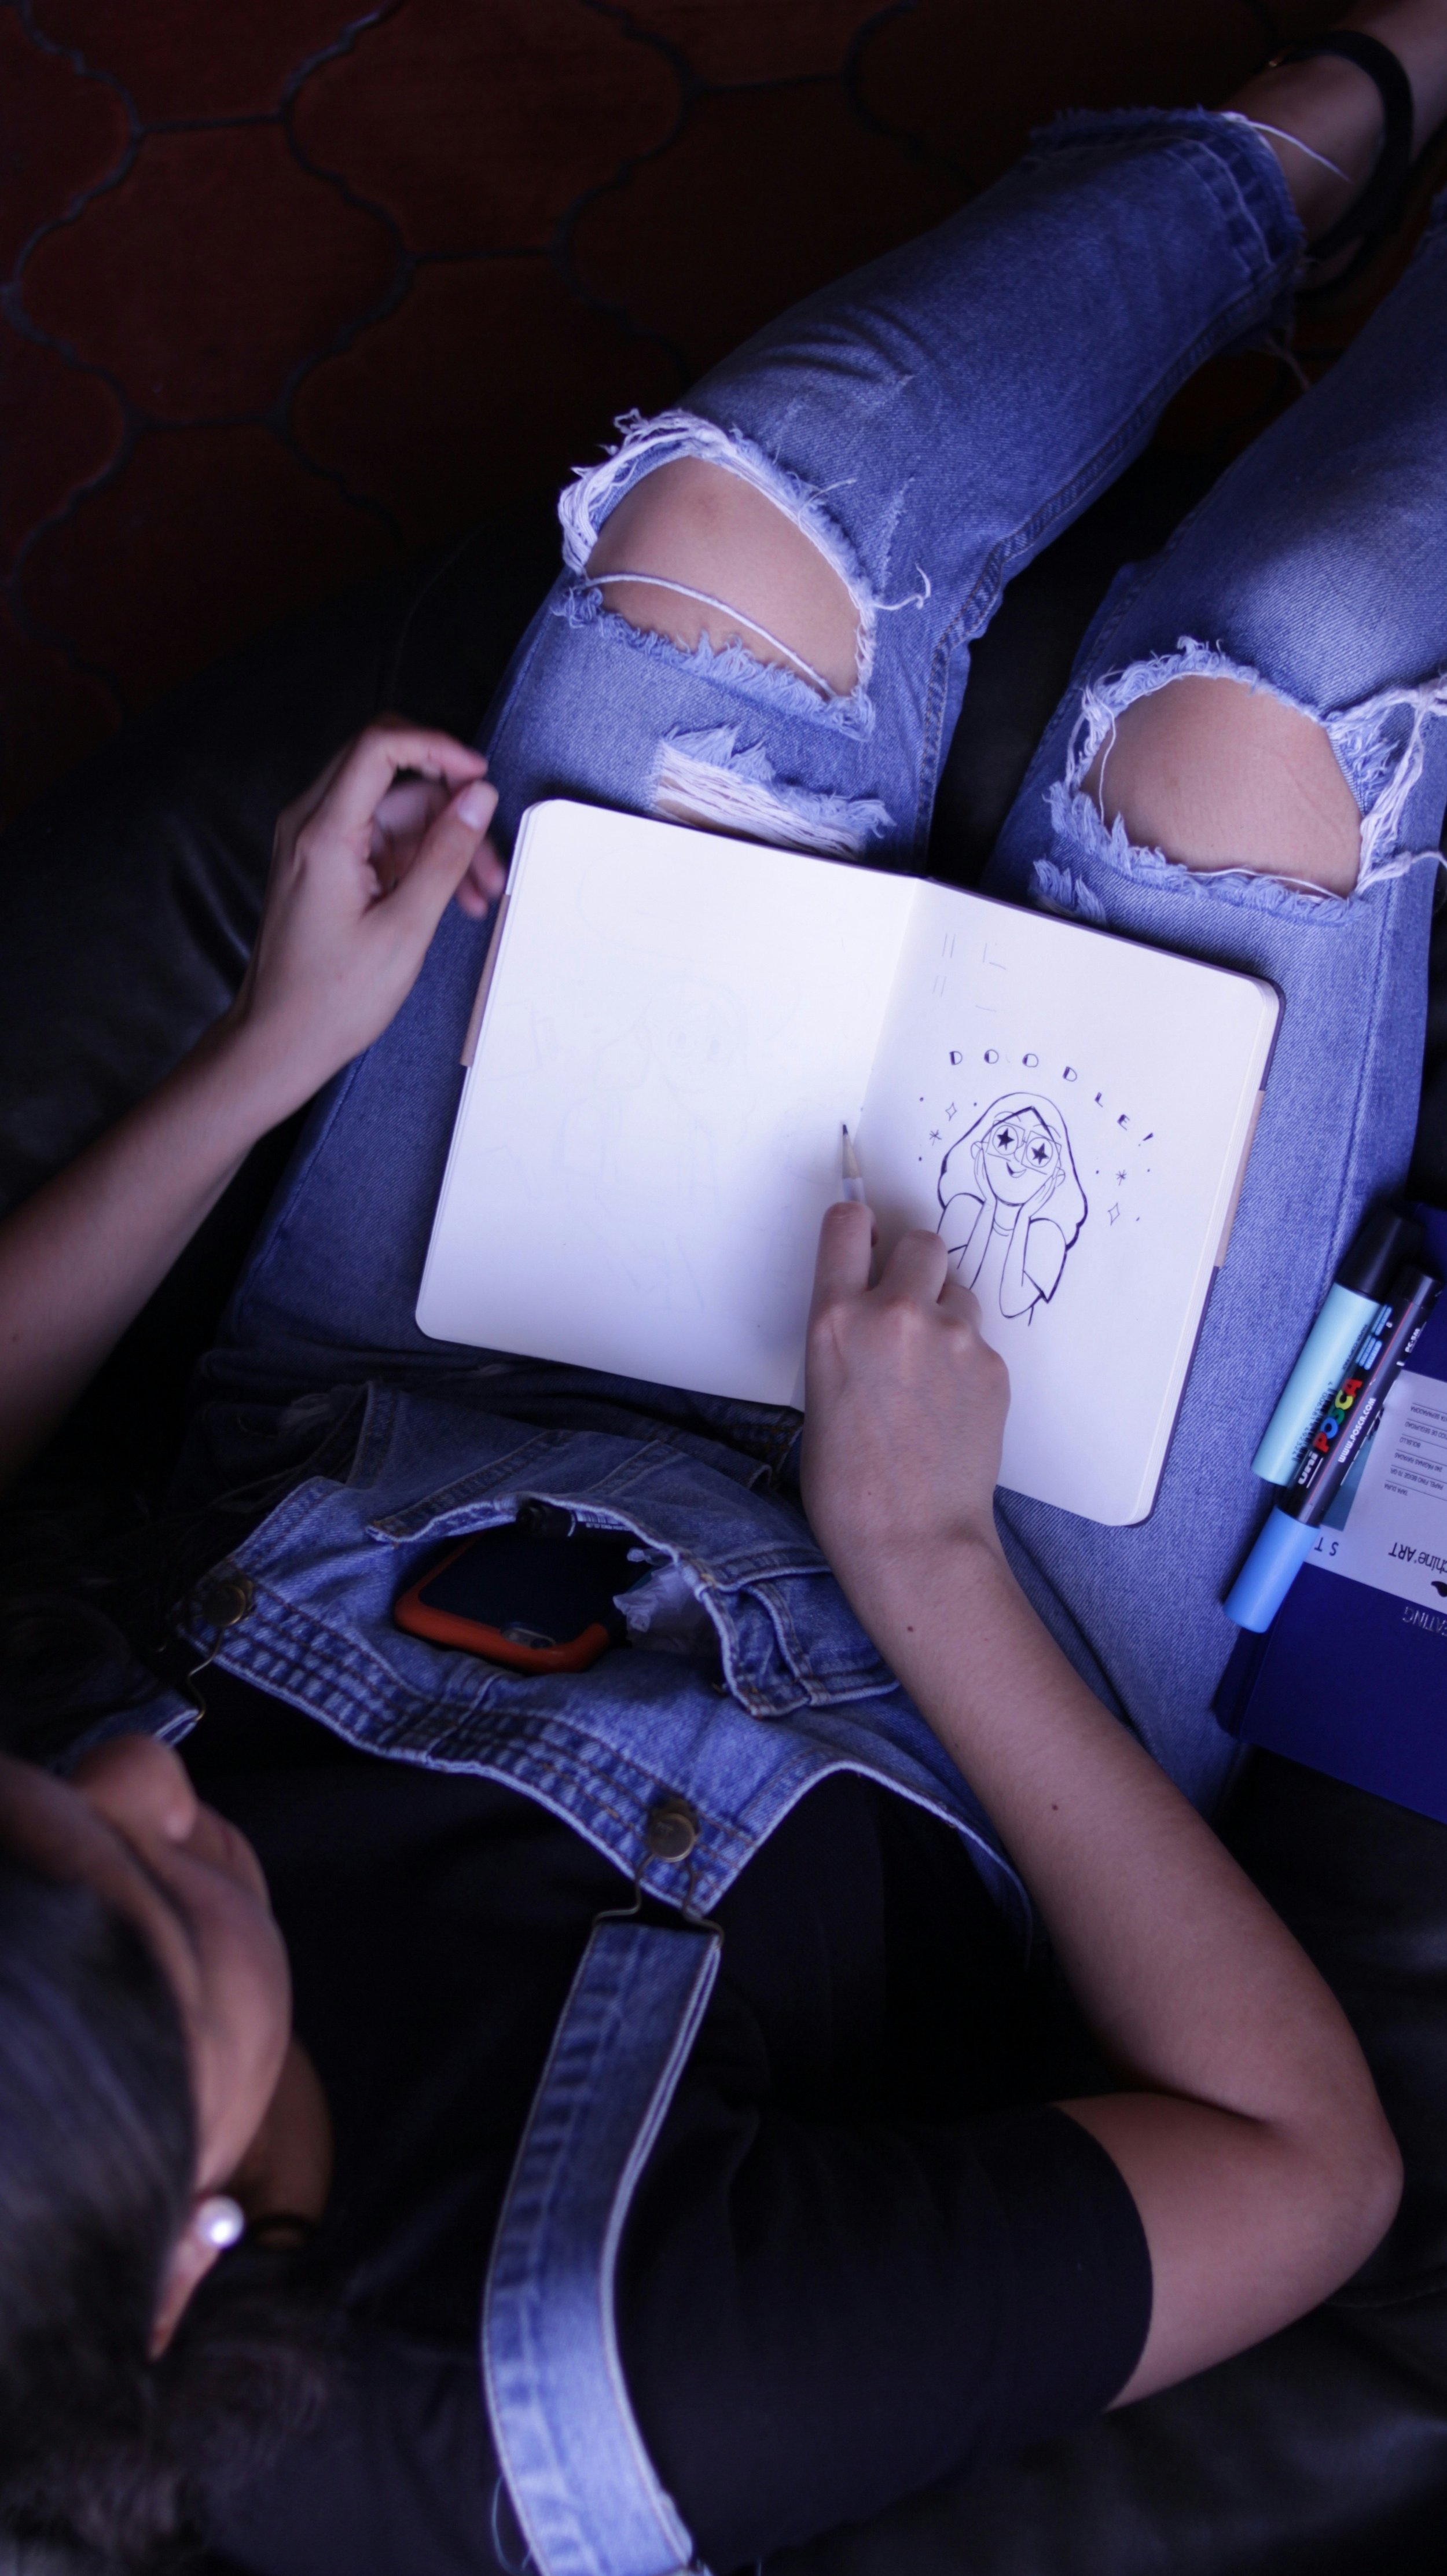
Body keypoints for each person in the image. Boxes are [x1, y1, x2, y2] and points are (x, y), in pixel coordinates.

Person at [1, 6, 1445, 2567]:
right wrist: (910, 1560)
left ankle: (1328, 131)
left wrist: (265, 1058)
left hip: (395, 1416)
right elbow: (1304, 2176)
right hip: (974, 1653)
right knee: (1262, 721)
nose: (138, 1771)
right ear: (189, 2258)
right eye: (155, 1895)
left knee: (732, 526)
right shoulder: (607, 2385)